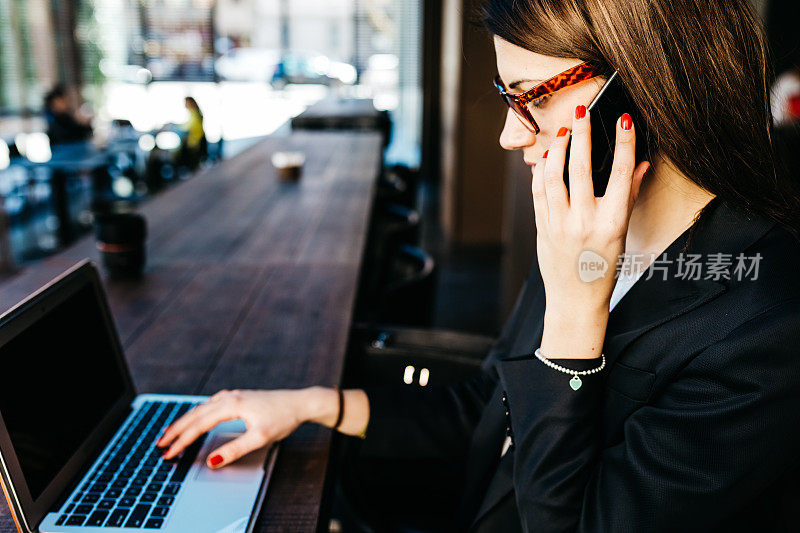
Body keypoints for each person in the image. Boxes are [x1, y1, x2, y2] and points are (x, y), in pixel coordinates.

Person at [157, 0, 800, 530]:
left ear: (643, 83)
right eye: (505, 94)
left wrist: (577, 314)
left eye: (532, 97)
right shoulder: (588, 223)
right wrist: (316, 404)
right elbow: (492, 410)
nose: (510, 134)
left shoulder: (765, 326)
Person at [177, 96, 206, 170]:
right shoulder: (194, 113)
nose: (185, 105)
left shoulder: (195, 114)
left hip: (196, 141)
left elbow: (191, 126)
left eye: (186, 103)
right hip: (196, 141)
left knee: (194, 163)